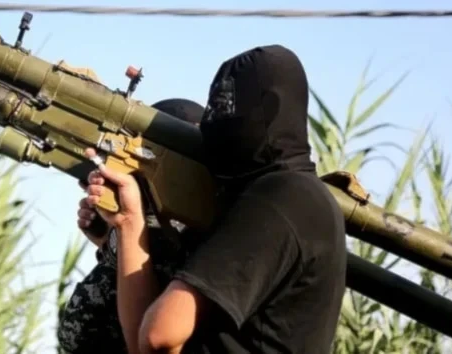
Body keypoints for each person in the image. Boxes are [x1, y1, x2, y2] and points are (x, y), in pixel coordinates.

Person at [82, 44, 347, 353]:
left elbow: (159, 335)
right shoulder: (290, 196)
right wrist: (129, 223)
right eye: (216, 107)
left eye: (229, 107)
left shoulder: (283, 196)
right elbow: (146, 343)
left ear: (270, 108)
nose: (215, 122)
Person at [57, 98, 205, 353]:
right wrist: (108, 243)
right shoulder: (161, 233)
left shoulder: (186, 239)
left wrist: (127, 224)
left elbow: (137, 337)